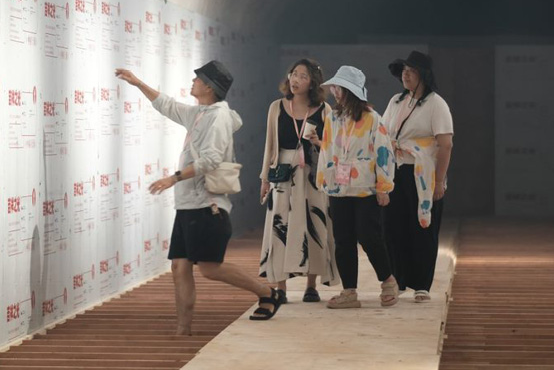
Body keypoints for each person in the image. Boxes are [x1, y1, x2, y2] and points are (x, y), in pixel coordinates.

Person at [115, 61, 283, 331]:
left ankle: (267, 293)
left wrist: (173, 178)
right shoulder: (200, 113)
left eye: (198, 79)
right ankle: (183, 330)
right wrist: (138, 83)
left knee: (209, 268)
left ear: (209, 87)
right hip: (188, 205)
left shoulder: (218, 117)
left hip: (207, 205)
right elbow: (168, 105)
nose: (192, 82)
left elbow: (211, 159)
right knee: (179, 268)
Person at [315, 65, 399, 309]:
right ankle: (349, 291)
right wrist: (324, 180)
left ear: (349, 90)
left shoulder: (372, 118)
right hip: (339, 187)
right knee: (343, 239)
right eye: (334, 86)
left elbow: (383, 152)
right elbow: (326, 149)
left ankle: (388, 281)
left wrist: (384, 187)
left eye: (338, 87)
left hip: (366, 187)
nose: (334, 91)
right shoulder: (332, 117)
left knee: (369, 236)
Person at [258, 59, 339, 302]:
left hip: (313, 173)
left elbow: (333, 147)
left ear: (313, 83)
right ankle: (280, 287)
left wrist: (318, 143)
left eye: (303, 76)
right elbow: (269, 145)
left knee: (314, 225)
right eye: (294, 74)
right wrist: (264, 178)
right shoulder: (276, 107)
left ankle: (311, 286)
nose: (296, 79)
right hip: (282, 174)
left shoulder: (325, 110)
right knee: (279, 225)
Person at [381, 51, 454, 303]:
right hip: (396, 170)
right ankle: (399, 279)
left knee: (423, 228)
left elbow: (445, 145)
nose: (406, 75)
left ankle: (422, 284)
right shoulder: (396, 101)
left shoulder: (436, 104)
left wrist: (438, 181)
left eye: (411, 71)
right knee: (393, 227)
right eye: (403, 70)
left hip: (422, 173)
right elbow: (382, 134)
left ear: (423, 75)